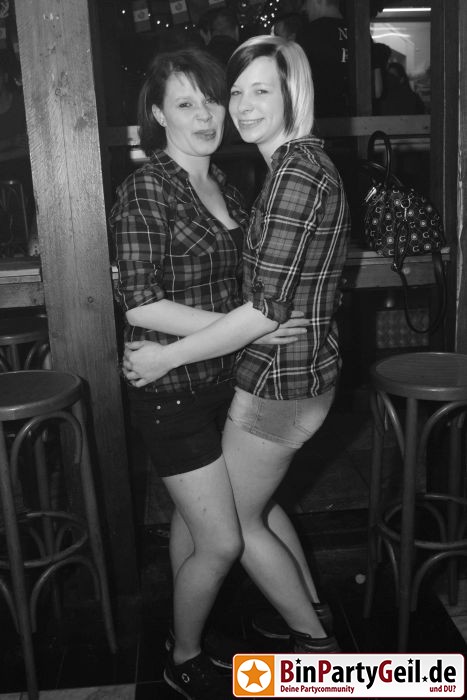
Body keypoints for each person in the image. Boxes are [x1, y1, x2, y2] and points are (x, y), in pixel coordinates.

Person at [123, 36, 350, 655]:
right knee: (234, 514)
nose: (235, 108)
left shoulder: (283, 174)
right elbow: (153, 300)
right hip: (232, 379)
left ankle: (314, 648)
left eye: (258, 91)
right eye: (237, 92)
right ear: (158, 115)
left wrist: (181, 349)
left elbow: (268, 301)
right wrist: (255, 320)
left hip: (271, 379)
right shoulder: (260, 174)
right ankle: (291, 616)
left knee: (236, 525)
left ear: (292, 94)